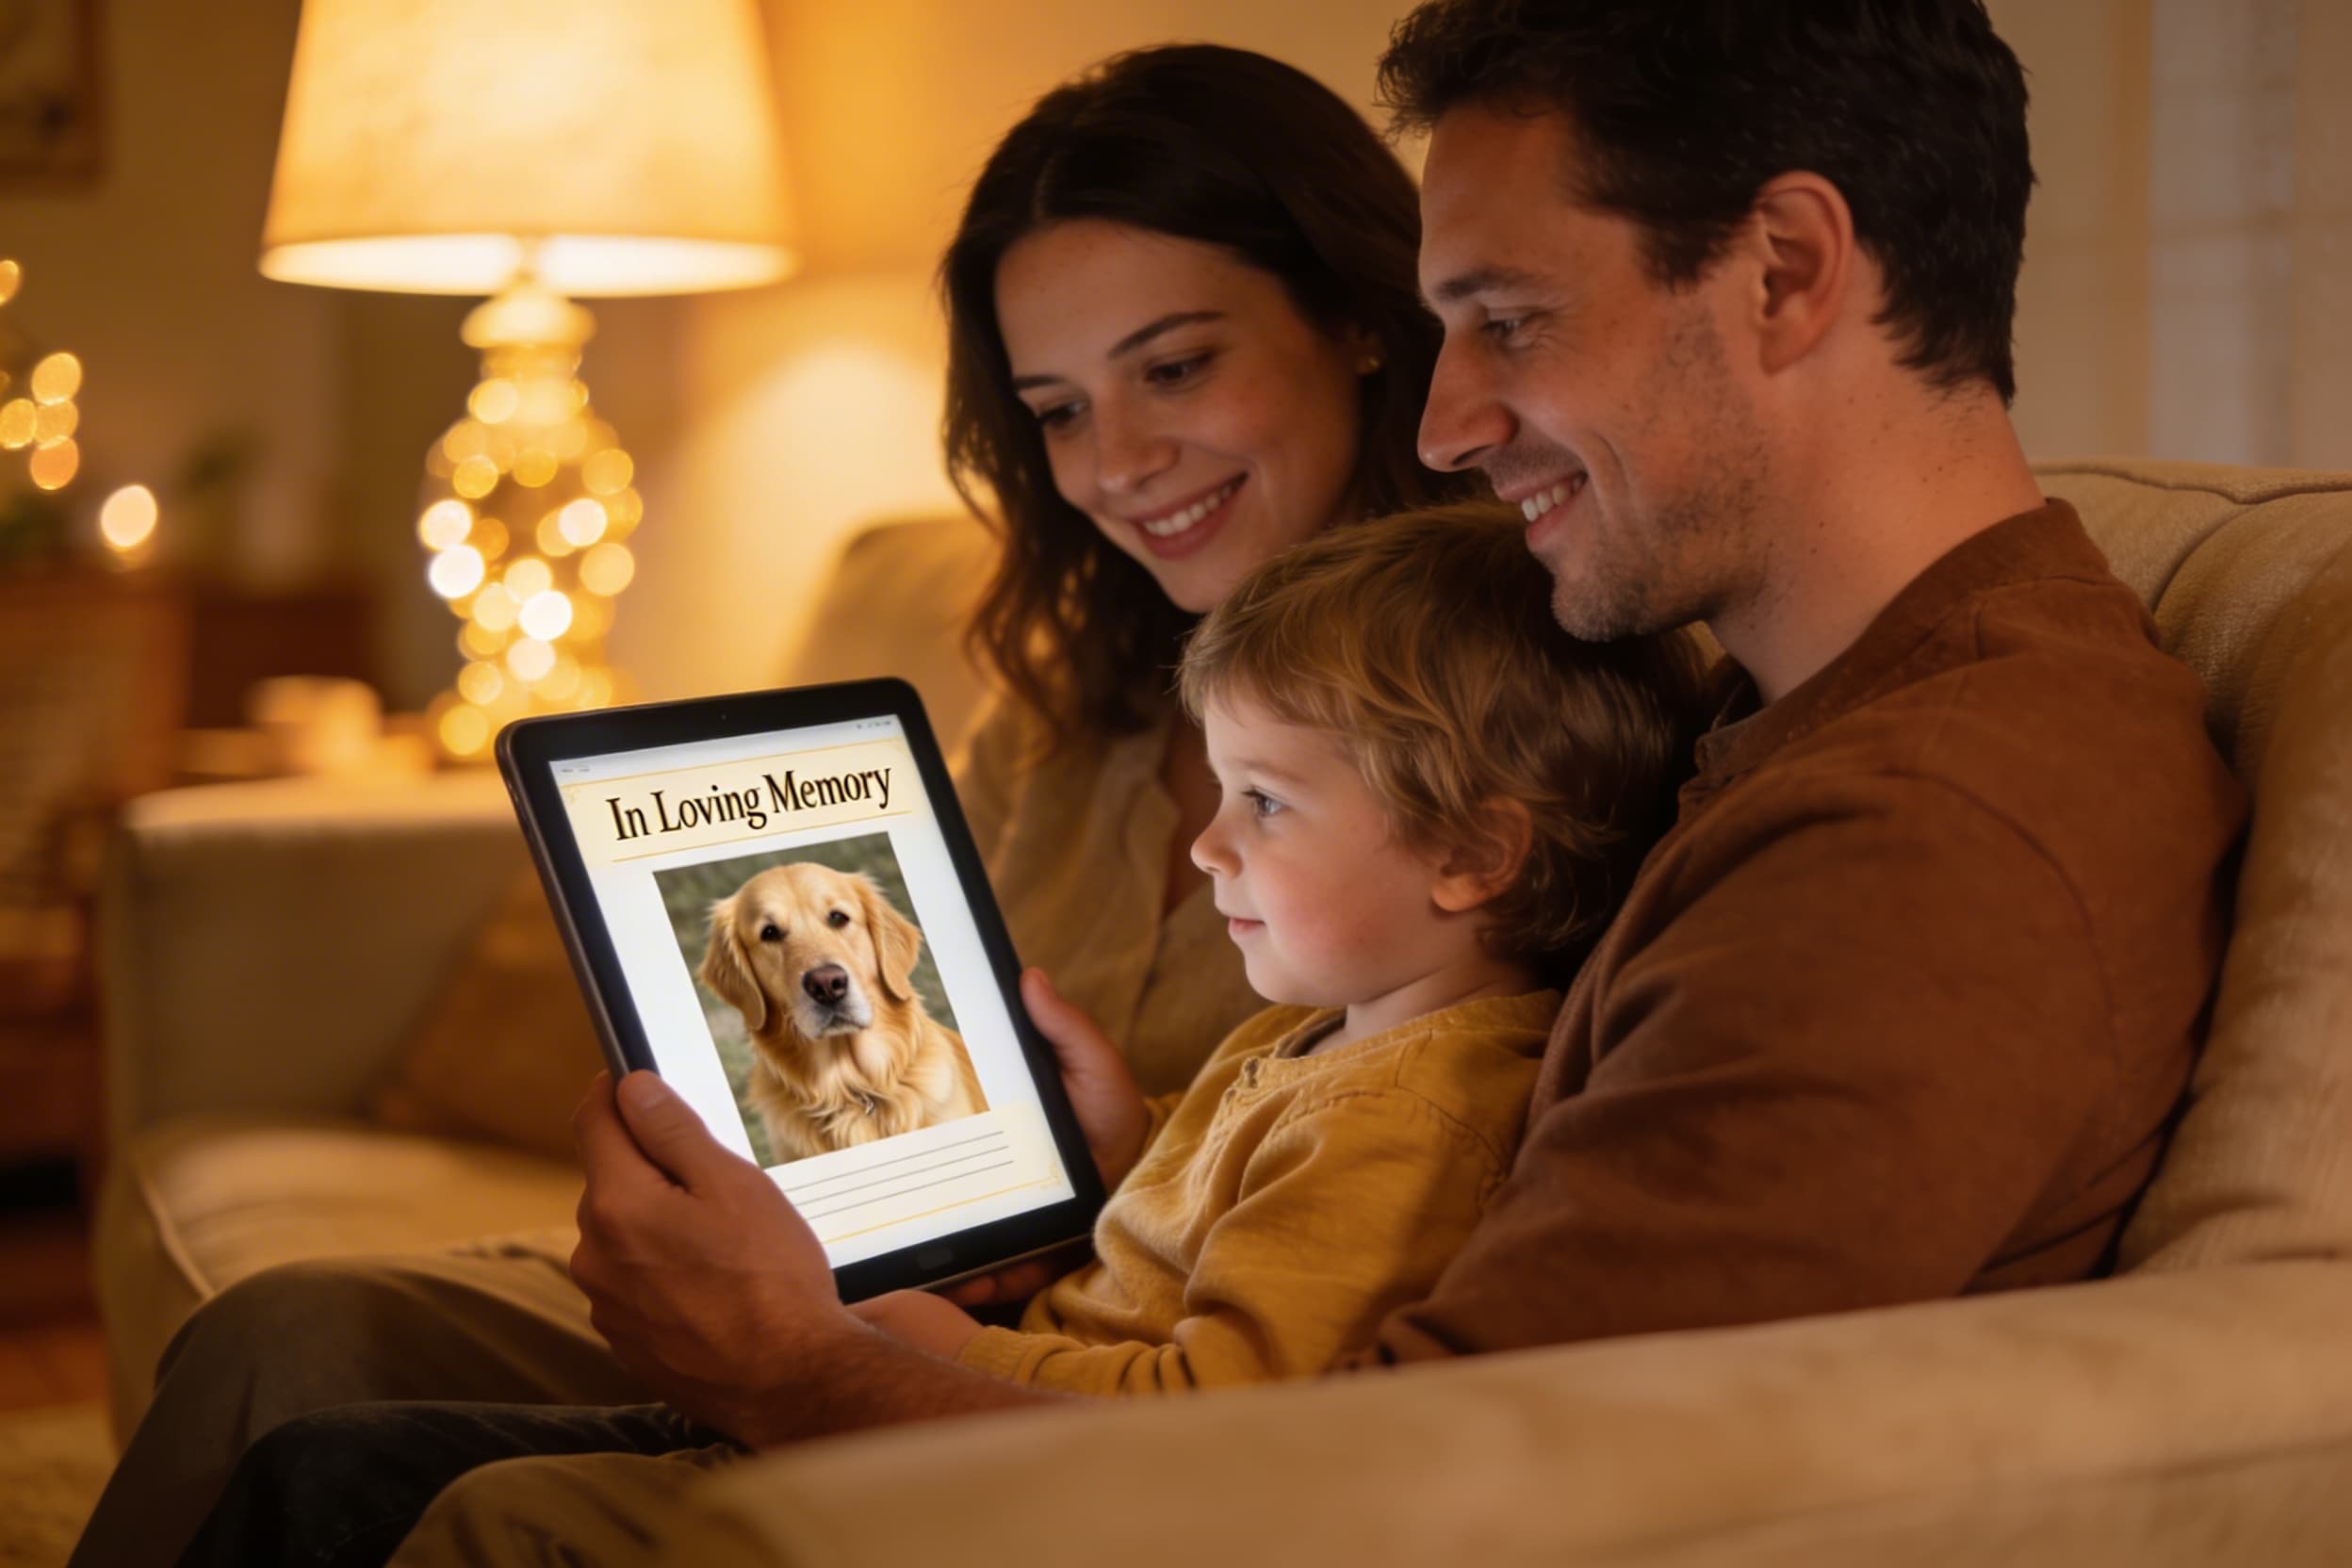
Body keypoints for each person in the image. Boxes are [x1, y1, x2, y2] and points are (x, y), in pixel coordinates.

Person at [337, 0, 2243, 1560]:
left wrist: (800, 1369)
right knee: (332, 1436)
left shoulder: (1922, 843)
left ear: (1788, 269)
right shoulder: (1797, 711)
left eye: (1507, 320)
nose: (1447, 416)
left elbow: (1437, 1489)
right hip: (1125, 1395)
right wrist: (1124, 1188)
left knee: (484, 1511)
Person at [71, 42, 1464, 1568]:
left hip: (1057, 1363)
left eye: (1177, 366)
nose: (1117, 465)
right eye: (1056, 408)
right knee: (287, 1332)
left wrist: (1011, 1246)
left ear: (1356, 319)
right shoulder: (1065, 703)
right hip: (903, 1266)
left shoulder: (1504, 720)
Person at [172, 509, 1709, 1563]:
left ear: (1476, 855)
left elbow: (1231, 1420)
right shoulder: (1319, 1040)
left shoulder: (1418, 1110)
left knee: (477, 1520)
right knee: (329, 1465)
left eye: (1268, 803)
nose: (1207, 847)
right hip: (954, 1395)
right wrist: (1122, 1147)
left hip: (974, 1459)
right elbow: (1217, 1245)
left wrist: (915, 1346)